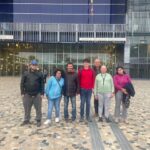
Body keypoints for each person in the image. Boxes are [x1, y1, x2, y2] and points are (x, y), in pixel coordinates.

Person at [20, 60, 44, 127]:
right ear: (30, 65)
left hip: (37, 94)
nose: (34, 66)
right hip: (27, 94)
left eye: (35, 65)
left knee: (38, 108)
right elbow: (22, 83)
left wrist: (42, 93)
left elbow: (42, 84)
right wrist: (22, 92)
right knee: (27, 108)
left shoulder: (40, 74)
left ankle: (38, 120)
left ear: (37, 66)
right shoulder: (25, 73)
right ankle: (26, 119)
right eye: (33, 65)